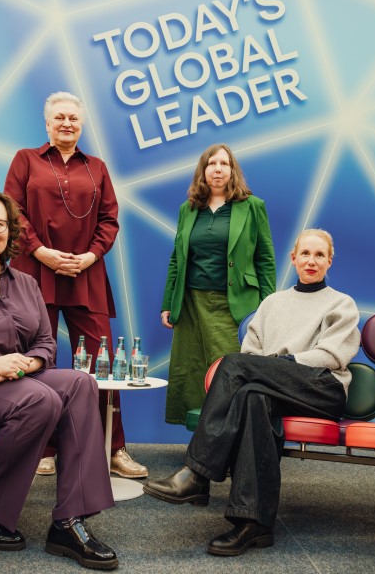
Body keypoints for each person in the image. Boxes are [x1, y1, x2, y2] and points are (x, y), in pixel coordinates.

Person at [144, 229, 360, 556]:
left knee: (234, 365)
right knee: (251, 396)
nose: (311, 261)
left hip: (321, 388)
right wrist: (269, 370)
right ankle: (253, 524)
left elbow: (332, 357)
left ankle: (198, 474)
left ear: (330, 261)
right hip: (271, 388)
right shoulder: (273, 303)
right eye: (305, 254)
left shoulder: (341, 303)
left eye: (319, 255)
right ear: (294, 258)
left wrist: (280, 364)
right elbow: (250, 350)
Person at [0, 189, 118, 570]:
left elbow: (44, 342)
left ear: (10, 232)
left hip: (22, 379)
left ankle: (70, 520)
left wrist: (31, 364)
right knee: (42, 400)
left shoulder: (25, 283)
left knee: (80, 383)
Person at [4, 91, 146, 479]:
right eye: (60, 118)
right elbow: (11, 211)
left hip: (87, 274)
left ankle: (113, 448)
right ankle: (43, 448)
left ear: (81, 126)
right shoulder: (25, 160)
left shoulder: (97, 167)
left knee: (104, 366)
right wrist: (39, 252)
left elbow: (109, 220)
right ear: (47, 124)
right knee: (38, 361)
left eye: (74, 119)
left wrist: (90, 256)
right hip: (35, 272)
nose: (67, 124)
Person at [160, 143, 276, 425]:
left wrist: (269, 307)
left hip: (233, 303)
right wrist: (168, 304)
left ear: (232, 170)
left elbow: (265, 259)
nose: (218, 169)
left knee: (229, 369)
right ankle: (203, 441)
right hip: (191, 304)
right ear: (203, 171)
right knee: (193, 371)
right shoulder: (188, 209)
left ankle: (233, 438)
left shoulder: (252, 206)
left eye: (224, 164)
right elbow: (177, 258)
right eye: (212, 164)